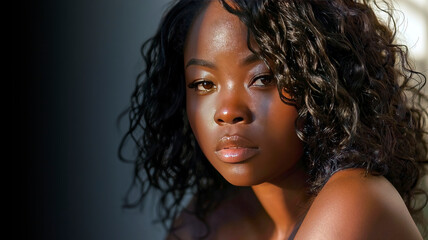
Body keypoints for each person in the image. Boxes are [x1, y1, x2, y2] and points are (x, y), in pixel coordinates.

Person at [119, 0, 428, 239]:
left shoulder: (355, 200)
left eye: (263, 78)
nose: (227, 111)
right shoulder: (210, 219)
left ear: (321, 82)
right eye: (204, 84)